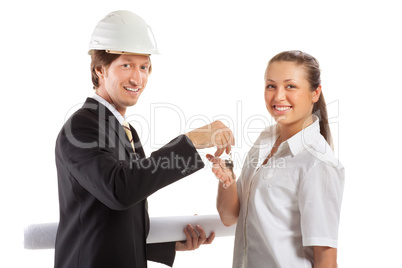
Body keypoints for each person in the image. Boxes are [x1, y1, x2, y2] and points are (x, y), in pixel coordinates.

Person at [54, 10, 234, 268]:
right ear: (100, 70)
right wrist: (190, 141)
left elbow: (118, 213)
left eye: (144, 67)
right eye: (126, 65)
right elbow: (120, 190)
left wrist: (169, 242)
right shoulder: (81, 128)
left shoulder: (125, 130)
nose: (137, 78)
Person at [207, 50, 345, 267]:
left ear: (315, 93)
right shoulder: (265, 140)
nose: (278, 96)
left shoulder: (318, 163)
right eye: (271, 86)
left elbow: (325, 258)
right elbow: (230, 217)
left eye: (290, 86)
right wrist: (228, 182)